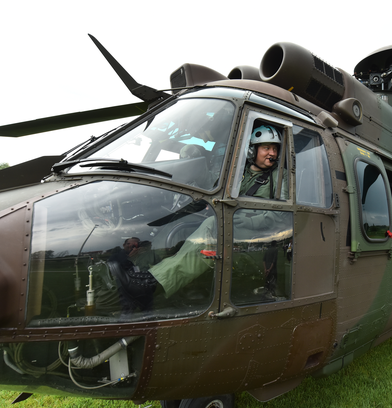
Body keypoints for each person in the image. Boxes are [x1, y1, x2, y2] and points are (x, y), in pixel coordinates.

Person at [120, 124, 288, 305]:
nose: (272, 153)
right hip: (232, 223)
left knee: (210, 227)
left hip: (258, 233)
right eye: (266, 148)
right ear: (252, 150)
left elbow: (281, 215)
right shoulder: (240, 171)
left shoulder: (280, 176)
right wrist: (194, 158)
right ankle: (142, 269)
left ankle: (153, 283)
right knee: (183, 223)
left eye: (275, 148)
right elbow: (215, 187)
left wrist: (247, 221)